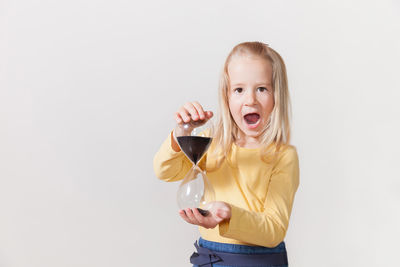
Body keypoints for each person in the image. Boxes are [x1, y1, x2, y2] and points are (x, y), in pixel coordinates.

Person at [153, 41, 299, 267]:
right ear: (227, 96)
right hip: (211, 258)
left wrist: (230, 214)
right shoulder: (211, 141)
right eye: (239, 90)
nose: (250, 100)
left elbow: (274, 229)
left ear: (276, 95)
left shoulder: (283, 155)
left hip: (260, 261)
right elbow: (164, 171)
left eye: (262, 89)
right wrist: (182, 132)